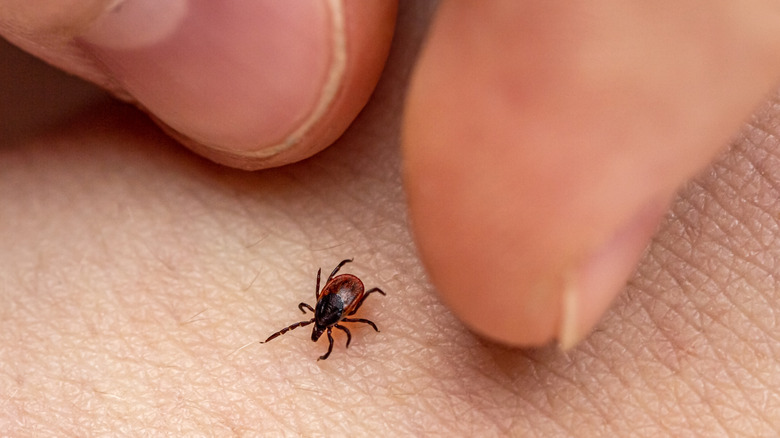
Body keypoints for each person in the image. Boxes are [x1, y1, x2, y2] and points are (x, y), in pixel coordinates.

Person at [2, 2, 779, 435]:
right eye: (324, 321)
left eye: (325, 320)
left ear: (327, 313)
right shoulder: (342, 304)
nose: (323, 321)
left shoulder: (333, 306)